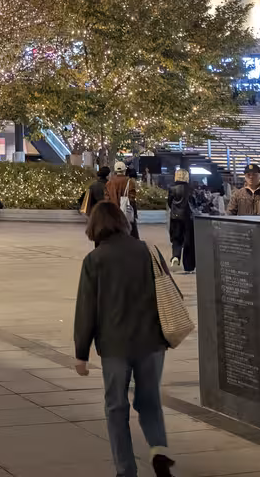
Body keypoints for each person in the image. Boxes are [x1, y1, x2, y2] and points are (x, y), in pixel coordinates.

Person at [73, 202, 177, 477]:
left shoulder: (94, 261)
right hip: (151, 341)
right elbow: (169, 291)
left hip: (115, 345)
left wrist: (81, 353)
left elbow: (86, 310)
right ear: (122, 221)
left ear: (94, 227)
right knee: (150, 400)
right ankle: (158, 450)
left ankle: (125, 469)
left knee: (116, 407)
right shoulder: (147, 251)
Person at [166, 169, 195, 272]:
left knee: (176, 239)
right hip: (188, 217)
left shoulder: (172, 188)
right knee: (188, 241)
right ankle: (188, 265)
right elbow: (193, 203)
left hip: (175, 217)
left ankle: (175, 257)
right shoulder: (190, 188)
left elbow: (169, 202)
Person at [106, 161, 140, 239]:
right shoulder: (129, 182)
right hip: (126, 212)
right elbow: (132, 198)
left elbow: (106, 198)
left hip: (113, 212)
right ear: (124, 170)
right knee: (131, 234)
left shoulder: (109, 183)